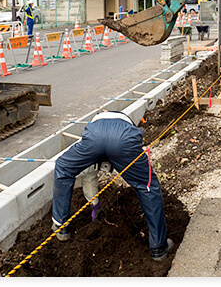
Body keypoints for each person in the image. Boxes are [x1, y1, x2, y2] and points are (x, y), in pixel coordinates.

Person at [51, 111, 173, 261]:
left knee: (63, 167)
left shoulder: (96, 121)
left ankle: (61, 226)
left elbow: (100, 152)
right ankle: (159, 247)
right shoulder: (128, 124)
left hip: (94, 137)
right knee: (147, 186)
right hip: (124, 139)